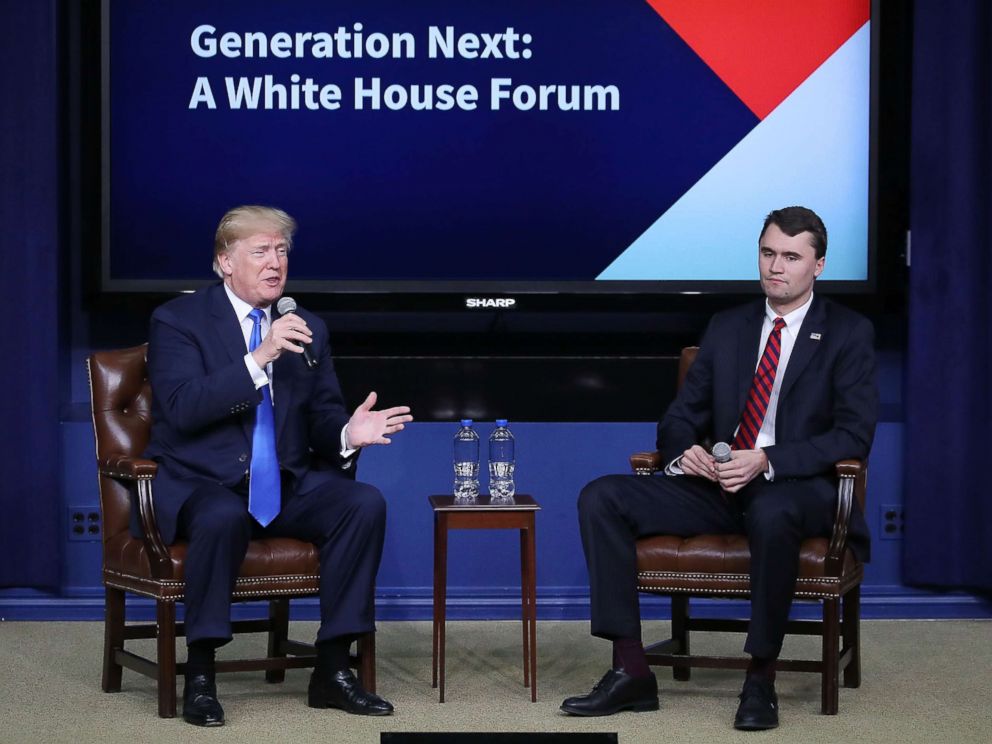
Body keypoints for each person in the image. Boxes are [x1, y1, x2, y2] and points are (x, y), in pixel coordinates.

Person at [561, 206, 877, 730]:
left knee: (773, 511)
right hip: (720, 486)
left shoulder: (847, 332)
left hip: (797, 489)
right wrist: (690, 454)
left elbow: (851, 436)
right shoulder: (729, 327)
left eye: (792, 257)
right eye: (768, 253)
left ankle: (760, 678)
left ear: (817, 267)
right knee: (602, 496)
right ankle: (632, 669)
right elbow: (679, 419)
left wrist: (767, 460)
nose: (776, 267)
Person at [143, 205, 413, 726]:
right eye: (261, 251)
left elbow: (322, 416)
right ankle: (200, 675)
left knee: (361, 504)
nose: (275, 263)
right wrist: (258, 357)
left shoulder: (308, 327)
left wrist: (346, 434)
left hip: (283, 483)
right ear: (225, 261)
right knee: (220, 515)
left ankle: (332, 670)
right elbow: (181, 408)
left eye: (282, 251)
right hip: (205, 482)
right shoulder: (178, 320)